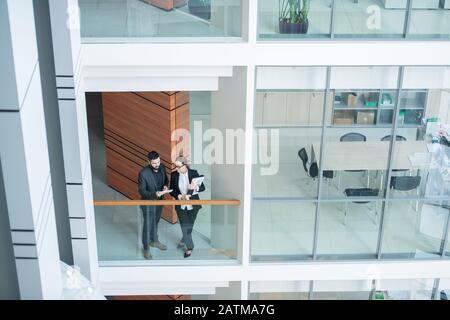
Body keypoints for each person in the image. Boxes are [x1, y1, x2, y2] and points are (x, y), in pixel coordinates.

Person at [170, 156, 205, 258]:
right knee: (185, 226)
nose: (176, 169)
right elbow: (172, 190)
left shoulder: (193, 173)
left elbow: (203, 187)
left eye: (178, 166)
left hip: (193, 205)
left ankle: (184, 238)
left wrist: (196, 187)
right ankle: (190, 247)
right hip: (181, 205)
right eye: (174, 166)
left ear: (185, 165)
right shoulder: (174, 175)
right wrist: (180, 196)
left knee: (189, 226)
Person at [138, 151, 169, 259]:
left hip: (159, 202)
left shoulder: (162, 167)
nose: (157, 165)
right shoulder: (143, 173)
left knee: (155, 222)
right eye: (154, 163)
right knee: (147, 226)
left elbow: (166, 180)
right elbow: (142, 191)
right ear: (148, 162)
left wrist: (165, 186)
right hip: (148, 203)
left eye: (158, 162)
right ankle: (146, 248)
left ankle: (154, 241)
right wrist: (154, 193)